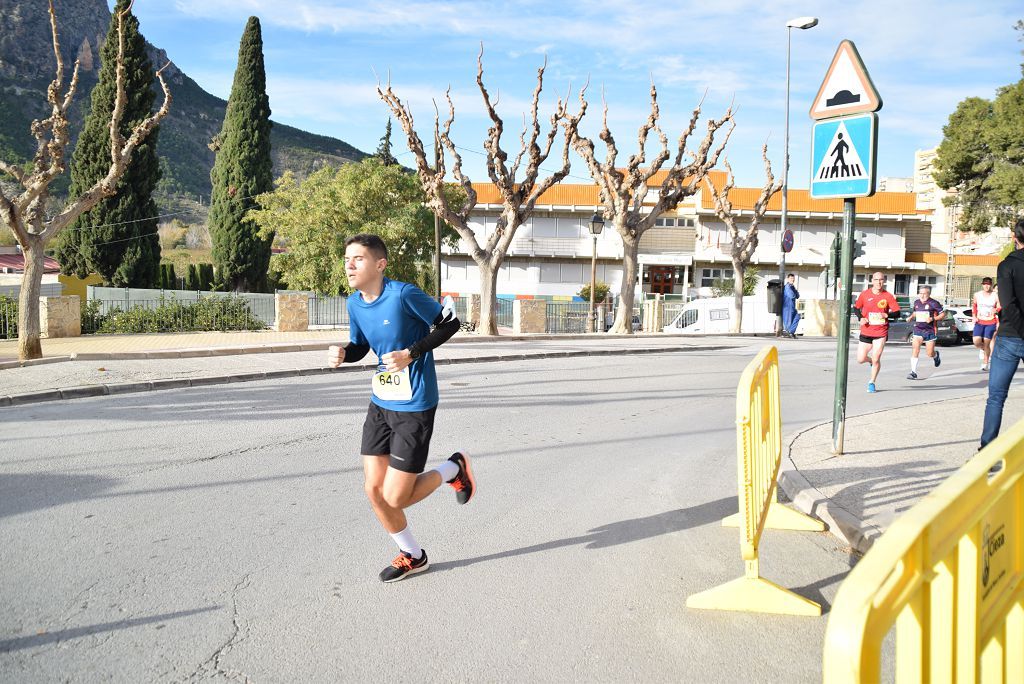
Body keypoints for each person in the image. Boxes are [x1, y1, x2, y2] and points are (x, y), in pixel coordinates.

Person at [327, 233, 475, 583]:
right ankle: (413, 554)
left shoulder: (403, 294)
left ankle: (453, 469)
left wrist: (412, 352)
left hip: (416, 404)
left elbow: (450, 324)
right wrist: (345, 354)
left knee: (396, 497)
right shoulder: (354, 303)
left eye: (358, 258)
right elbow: (362, 345)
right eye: (347, 258)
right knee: (373, 490)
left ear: (380, 264)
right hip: (381, 402)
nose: (349, 265)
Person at [979, 218, 1024, 450]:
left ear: (1015, 239)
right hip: (1012, 336)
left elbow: (1008, 303)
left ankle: (987, 450)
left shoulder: (1007, 266)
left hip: (1009, 337)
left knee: (996, 397)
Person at [853, 272, 900, 393]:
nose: (878, 282)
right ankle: (870, 362)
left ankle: (872, 382)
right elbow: (856, 308)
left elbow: (897, 313)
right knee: (860, 359)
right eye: (876, 279)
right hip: (866, 330)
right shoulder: (864, 294)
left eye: (881, 280)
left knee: (876, 358)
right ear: (872, 281)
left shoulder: (888, 296)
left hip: (881, 331)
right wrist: (861, 318)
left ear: (884, 281)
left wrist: (887, 314)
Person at [906, 285, 944, 380]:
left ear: (929, 294)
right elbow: (916, 312)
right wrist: (911, 317)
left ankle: (935, 356)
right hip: (918, 329)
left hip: (929, 330)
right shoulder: (916, 302)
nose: (922, 296)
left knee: (929, 353)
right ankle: (913, 372)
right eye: (920, 293)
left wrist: (932, 318)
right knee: (915, 349)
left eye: (924, 294)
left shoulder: (934, 303)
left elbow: (943, 314)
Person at [972, 276, 1001, 371]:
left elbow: (1000, 306)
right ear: (982, 285)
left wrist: (996, 309)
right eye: (985, 284)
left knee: (987, 341)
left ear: (991, 285)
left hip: (991, 321)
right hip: (979, 321)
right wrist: (974, 316)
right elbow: (974, 305)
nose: (986, 286)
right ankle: (984, 349)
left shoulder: (995, 295)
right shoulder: (977, 295)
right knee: (976, 342)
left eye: (988, 285)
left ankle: (985, 362)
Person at [782, 273, 800, 338]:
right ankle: (790, 333)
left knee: (797, 317)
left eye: (793, 278)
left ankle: (790, 332)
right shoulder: (787, 287)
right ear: (788, 279)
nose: (793, 280)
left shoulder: (792, 287)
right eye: (791, 278)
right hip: (787, 307)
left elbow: (797, 296)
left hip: (792, 306)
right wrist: (795, 293)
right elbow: (792, 296)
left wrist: (794, 290)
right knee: (788, 322)